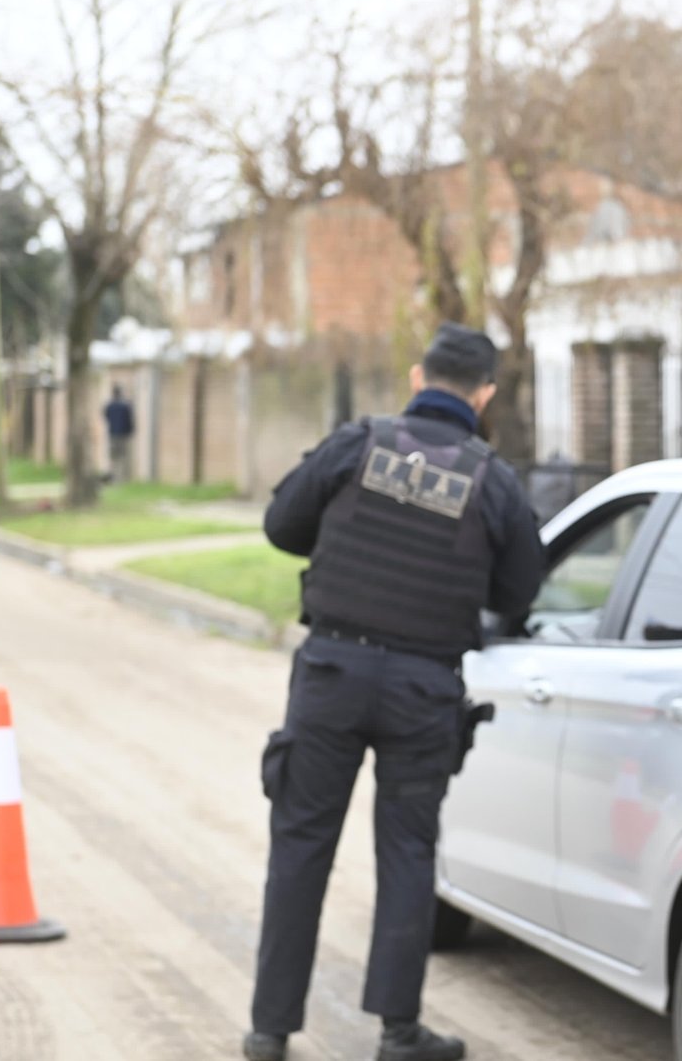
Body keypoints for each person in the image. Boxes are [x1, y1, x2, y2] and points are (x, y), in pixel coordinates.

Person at [245, 323, 545, 1061]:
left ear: (418, 378)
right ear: (485, 395)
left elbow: (281, 525)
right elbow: (519, 591)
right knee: (409, 852)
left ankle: (270, 1030)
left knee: (300, 844)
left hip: (332, 676)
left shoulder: (357, 444)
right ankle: (398, 1033)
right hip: (423, 688)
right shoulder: (494, 480)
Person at [103, 384, 135, 482]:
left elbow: (106, 416)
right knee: (124, 457)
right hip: (124, 435)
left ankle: (115, 477)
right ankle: (124, 478)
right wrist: (130, 431)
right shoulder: (125, 405)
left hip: (113, 434)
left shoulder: (109, 406)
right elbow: (130, 420)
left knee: (114, 457)